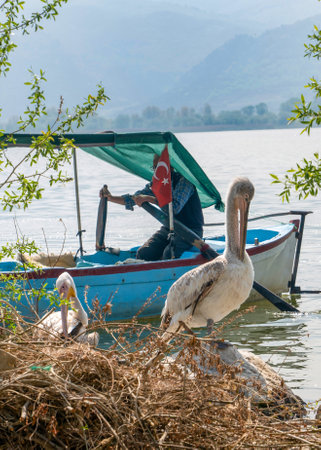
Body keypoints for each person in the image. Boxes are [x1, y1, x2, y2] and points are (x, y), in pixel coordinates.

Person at [100, 154, 204, 261]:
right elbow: (133, 199)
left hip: (191, 231)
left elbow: (174, 208)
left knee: (169, 254)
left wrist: (149, 199)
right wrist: (110, 198)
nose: (156, 171)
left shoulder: (184, 181)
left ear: (171, 167)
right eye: (155, 168)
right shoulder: (156, 184)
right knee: (144, 253)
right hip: (169, 228)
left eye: (160, 167)